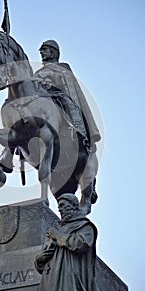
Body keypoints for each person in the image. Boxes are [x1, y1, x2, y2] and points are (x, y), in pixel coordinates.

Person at [34, 40, 101, 209]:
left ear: (53, 52)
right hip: (43, 101)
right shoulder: (38, 72)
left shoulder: (63, 68)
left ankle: (79, 131)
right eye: (41, 50)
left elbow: (69, 89)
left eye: (45, 49)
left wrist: (53, 86)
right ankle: (11, 149)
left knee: (70, 104)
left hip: (59, 97)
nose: (41, 52)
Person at [34, 194, 101, 291]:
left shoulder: (85, 226)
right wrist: (39, 259)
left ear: (74, 206)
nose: (60, 209)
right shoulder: (56, 230)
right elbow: (43, 259)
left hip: (67, 279)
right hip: (50, 281)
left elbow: (80, 245)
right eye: (59, 206)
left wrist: (59, 236)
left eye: (63, 205)